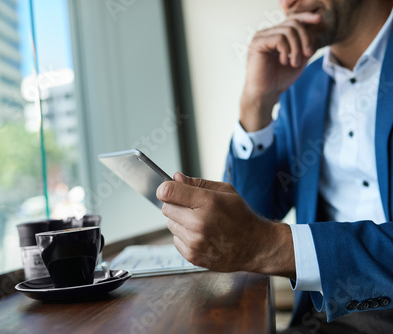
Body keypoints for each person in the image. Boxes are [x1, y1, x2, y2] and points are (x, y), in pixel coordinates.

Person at [156, 0, 393, 332]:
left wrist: (269, 245)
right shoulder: (305, 85)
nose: (286, 3)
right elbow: (256, 211)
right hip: (329, 317)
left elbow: (257, 236)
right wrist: (256, 102)